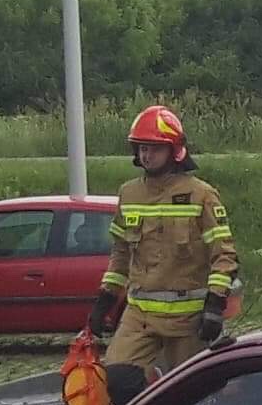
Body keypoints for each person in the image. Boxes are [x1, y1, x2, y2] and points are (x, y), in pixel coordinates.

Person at [88, 104, 238, 378]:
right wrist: (105, 301)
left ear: (175, 151)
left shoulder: (201, 195)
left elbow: (224, 256)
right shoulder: (129, 193)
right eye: (142, 148)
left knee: (191, 397)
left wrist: (215, 307)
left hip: (188, 320)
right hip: (140, 316)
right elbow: (121, 254)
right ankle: (150, 396)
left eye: (155, 148)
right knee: (119, 377)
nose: (147, 155)